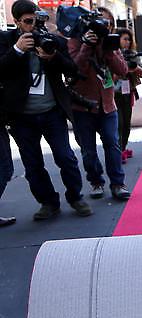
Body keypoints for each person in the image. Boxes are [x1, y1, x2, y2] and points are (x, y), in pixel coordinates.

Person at [1, 0, 92, 219]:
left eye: (36, 20)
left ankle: (76, 197)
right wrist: (17, 50)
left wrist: (53, 57)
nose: (33, 25)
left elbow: (72, 69)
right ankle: (48, 202)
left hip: (52, 112)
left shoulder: (54, 40)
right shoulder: (5, 40)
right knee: (33, 165)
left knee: (66, 156)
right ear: (17, 22)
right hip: (21, 116)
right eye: (27, 21)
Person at [68, 6, 131, 201]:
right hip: (82, 106)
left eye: (108, 24)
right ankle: (96, 181)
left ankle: (118, 184)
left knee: (113, 144)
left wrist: (109, 51)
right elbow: (73, 70)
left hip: (108, 105)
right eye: (101, 23)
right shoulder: (75, 41)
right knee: (88, 149)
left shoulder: (111, 43)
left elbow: (123, 70)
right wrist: (87, 46)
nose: (105, 27)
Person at [114, 27, 142, 164]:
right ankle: (118, 150)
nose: (127, 42)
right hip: (113, 93)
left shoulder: (133, 54)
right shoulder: (112, 53)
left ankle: (123, 148)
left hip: (128, 92)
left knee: (126, 123)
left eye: (129, 39)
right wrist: (122, 68)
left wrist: (134, 68)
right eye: (124, 39)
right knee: (118, 123)